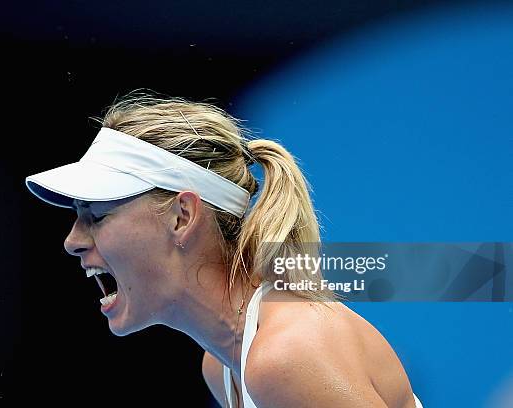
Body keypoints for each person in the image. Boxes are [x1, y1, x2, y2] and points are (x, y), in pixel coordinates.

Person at [25, 91, 423, 407]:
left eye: (96, 215)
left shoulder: (286, 357)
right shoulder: (221, 367)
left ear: (182, 216)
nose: (72, 241)